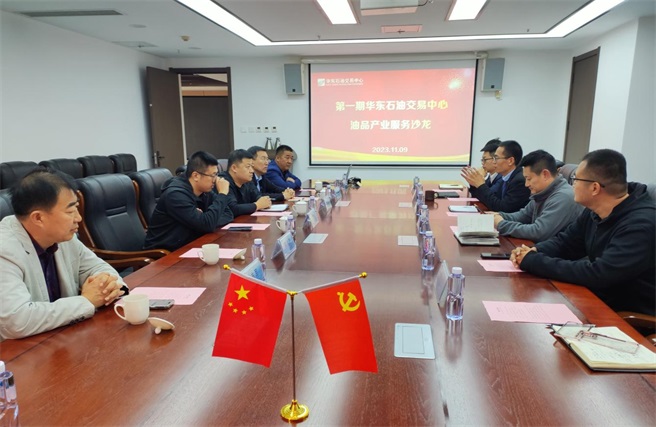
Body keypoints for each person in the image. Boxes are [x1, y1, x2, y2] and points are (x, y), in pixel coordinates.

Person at [511, 149, 655, 315]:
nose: (572, 185)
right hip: (596, 299)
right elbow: (566, 243)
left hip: (626, 315)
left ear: (594, 188)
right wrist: (533, 251)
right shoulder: (594, 211)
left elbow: (599, 274)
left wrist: (534, 261)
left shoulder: (639, 225)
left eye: (575, 179)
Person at [0, 169, 127, 340]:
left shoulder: (63, 237)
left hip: (63, 338)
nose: (78, 218)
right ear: (38, 218)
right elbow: (17, 321)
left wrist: (107, 285)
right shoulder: (5, 250)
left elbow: (98, 268)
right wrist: (87, 301)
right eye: (70, 211)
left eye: (76, 208)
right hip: (19, 350)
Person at [144, 151, 233, 251]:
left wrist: (206, 220)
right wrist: (222, 194)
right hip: (163, 254)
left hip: (189, 246)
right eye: (213, 175)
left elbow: (228, 214)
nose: (215, 179)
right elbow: (207, 225)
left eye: (216, 174)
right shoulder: (175, 195)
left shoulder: (204, 190)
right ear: (196, 176)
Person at [491, 149, 583, 242]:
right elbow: (522, 216)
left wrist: (501, 224)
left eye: (529, 179)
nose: (526, 184)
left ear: (545, 174)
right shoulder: (543, 193)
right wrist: (496, 216)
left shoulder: (563, 197)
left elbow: (538, 232)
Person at [461, 140, 530, 213]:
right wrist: (474, 182)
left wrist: (481, 185)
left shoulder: (519, 181)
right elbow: (485, 199)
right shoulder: (506, 177)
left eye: (496, 158)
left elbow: (502, 208)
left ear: (510, 161)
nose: (494, 162)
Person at [220, 149, 273, 217]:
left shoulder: (246, 180)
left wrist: (264, 201)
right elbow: (232, 209)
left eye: (252, 166)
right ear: (234, 168)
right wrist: (257, 205)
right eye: (248, 167)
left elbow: (258, 196)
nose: (252, 171)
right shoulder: (223, 182)